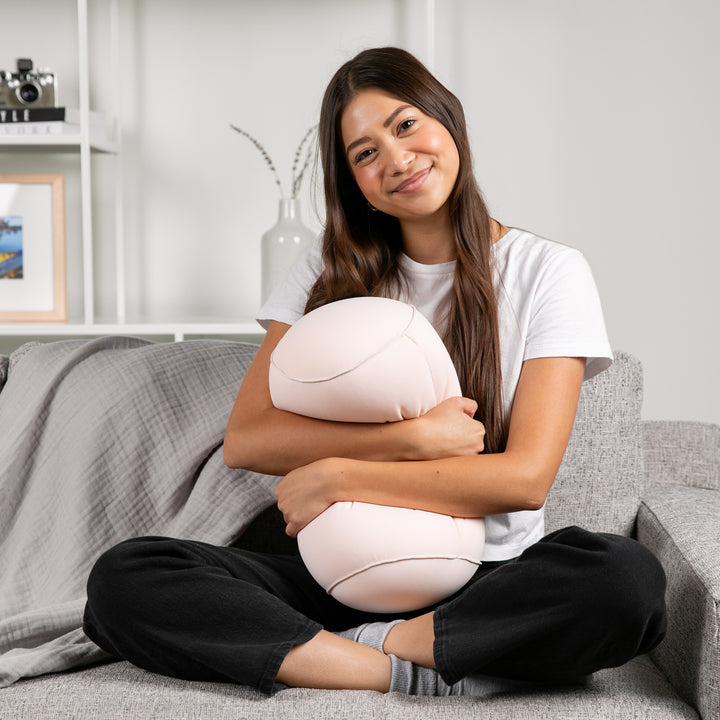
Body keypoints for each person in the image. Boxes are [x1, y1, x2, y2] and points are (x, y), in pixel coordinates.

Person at [83, 46, 666, 697]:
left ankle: (369, 650)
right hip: (329, 578)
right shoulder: (323, 273)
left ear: (448, 121)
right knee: (124, 578)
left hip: (484, 579)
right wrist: (404, 442)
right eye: (364, 153)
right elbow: (249, 438)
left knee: (624, 580)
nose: (394, 158)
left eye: (406, 124)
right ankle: (398, 667)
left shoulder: (547, 271)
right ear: (351, 179)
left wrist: (339, 475)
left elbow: (525, 479)